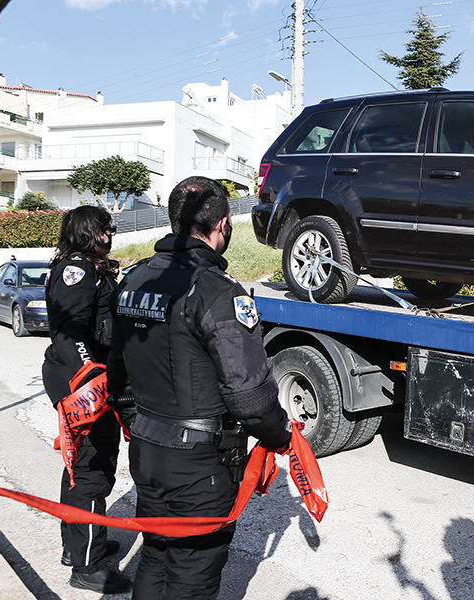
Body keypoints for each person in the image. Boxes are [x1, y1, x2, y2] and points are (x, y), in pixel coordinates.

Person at [107, 176, 291, 600]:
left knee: (155, 557)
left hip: (148, 450)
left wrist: (142, 424)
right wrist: (280, 434)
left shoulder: (134, 281)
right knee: (193, 574)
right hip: (199, 463)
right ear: (223, 224)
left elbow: (117, 374)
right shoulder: (216, 292)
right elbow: (249, 396)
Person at [41, 205, 131, 594]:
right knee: (92, 467)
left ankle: (77, 545)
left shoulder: (90, 268)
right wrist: (91, 374)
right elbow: (67, 331)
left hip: (86, 376)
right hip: (81, 380)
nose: (110, 233)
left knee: (83, 464)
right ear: (87, 230)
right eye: (104, 227)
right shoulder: (76, 269)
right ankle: (87, 566)